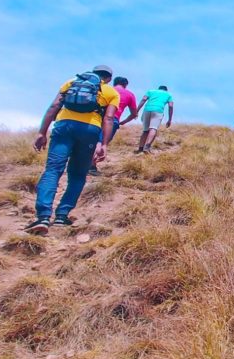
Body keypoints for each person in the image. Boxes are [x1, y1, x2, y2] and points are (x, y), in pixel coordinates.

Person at [27, 65, 120, 234]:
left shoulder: (71, 82)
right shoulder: (110, 92)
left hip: (64, 127)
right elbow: (108, 118)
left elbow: (54, 106)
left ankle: (43, 216)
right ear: (108, 78)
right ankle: (62, 215)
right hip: (90, 131)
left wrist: (42, 132)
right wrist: (104, 144)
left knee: (53, 171)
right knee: (77, 175)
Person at [88, 76, 137, 176]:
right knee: (101, 143)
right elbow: (133, 113)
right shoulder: (130, 94)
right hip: (112, 120)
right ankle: (91, 167)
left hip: (97, 117)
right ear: (125, 85)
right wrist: (123, 122)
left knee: (93, 140)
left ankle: (86, 164)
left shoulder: (107, 89)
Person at [136, 85, 174, 153]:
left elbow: (144, 99)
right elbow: (171, 106)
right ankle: (147, 147)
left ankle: (140, 148)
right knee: (153, 128)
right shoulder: (168, 95)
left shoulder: (150, 91)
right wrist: (170, 119)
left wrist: (137, 110)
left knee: (145, 130)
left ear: (158, 89)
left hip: (147, 110)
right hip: (158, 111)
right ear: (166, 90)